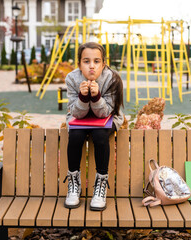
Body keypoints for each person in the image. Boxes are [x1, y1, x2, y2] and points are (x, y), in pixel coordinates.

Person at [63, 42, 124, 211]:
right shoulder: (72, 78)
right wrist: (83, 98)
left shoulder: (112, 78)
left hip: (107, 117)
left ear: (103, 64)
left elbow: (105, 113)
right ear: (79, 63)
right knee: (75, 136)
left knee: (100, 135)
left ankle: (100, 184)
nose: (91, 66)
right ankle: (74, 183)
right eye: (86, 61)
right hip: (79, 118)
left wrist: (96, 96)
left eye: (96, 61)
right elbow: (76, 113)